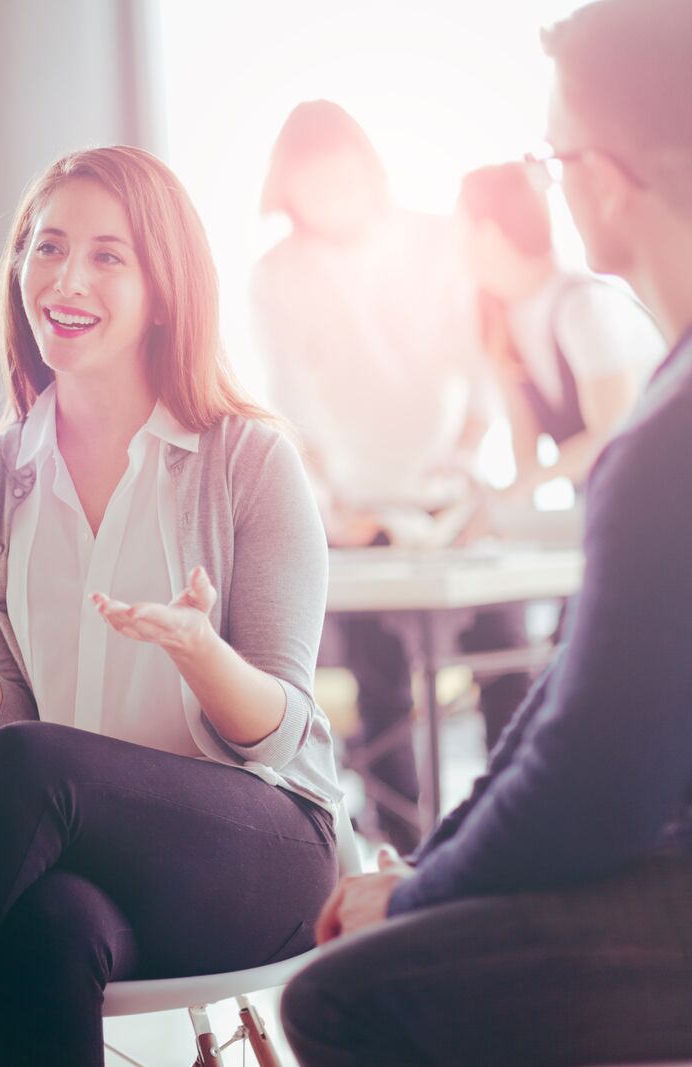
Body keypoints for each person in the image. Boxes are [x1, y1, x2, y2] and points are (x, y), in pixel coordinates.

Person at [0, 145, 342, 1065]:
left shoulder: (247, 461)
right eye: (46, 247)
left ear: (165, 286)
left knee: (36, 767)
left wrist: (200, 650)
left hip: (267, 851)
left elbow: (275, 734)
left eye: (109, 255)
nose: (66, 278)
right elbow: (16, 719)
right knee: (42, 924)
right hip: (99, 859)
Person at [282, 2, 692, 1063]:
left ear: (603, 177)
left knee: (336, 994)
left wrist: (414, 894)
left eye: (550, 159)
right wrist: (428, 871)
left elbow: (592, 787)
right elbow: (566, 708)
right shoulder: (664, 396)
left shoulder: (664, 434)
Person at [250, 100, 532, 852]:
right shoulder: (276, 275)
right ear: (286, 187)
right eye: (313, 182)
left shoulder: (440, 242)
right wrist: (327, 505)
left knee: (504, 653)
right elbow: (288, 403)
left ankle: (515, 828)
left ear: (370, 166)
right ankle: (402, 842)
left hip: (450, 491)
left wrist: (470, 468)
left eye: (342, 173)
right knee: (381, 685)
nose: (333, 194)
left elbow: (480, 370)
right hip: (354, 508)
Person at [456, 160, 663, 509]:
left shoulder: (584, 306)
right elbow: (525, 448)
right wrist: (501, 512)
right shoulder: (500, 318)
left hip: (659, 495)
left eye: (459, 230)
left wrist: (526, 486)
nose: (455, 247)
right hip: (605, 502)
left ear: (488, 234)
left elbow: (612, 436)